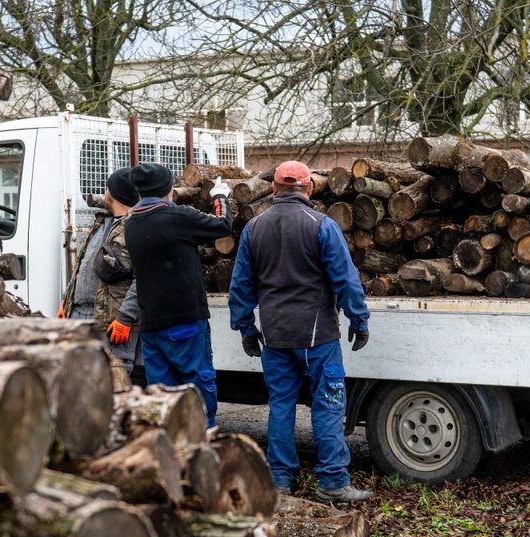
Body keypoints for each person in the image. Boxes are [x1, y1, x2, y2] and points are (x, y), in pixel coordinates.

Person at [228, 160, 373, 503]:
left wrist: (246, 328)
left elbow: (241, 285)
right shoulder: (321, 225)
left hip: (275, 334)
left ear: (274, 188)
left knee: (280, 405)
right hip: (317, 336)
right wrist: (359, 319)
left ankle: (280, 479)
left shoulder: (254, 228)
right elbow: (345, 279)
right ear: (308, 189)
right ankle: (333, 482)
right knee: (328, 405)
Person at [125, 162, 232, 427]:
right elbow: (222, 225)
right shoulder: (177, 217)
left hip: (151, 325)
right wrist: (220, 197)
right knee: (197, 392)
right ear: (170, 190)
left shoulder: (132, 223)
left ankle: (169, 447)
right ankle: (202, 443)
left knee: (162, 400)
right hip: (185, 321)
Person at [59, 168, 141, 374]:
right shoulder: (102, 222)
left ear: (114, 194)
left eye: (108, 189)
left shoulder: (136, 227)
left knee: (112, 380)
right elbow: (82, 265)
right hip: (80, 315)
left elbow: (143, 278)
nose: (105, 193)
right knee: (77, 379)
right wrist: (67, 301)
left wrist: (125, 318)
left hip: (111, 323)